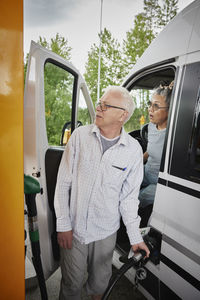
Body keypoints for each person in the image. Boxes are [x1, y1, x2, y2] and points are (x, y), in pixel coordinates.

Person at [54, 86, 150, 300]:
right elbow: (63, 184)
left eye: (106, 105)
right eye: (99, 103)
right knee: (71, 285)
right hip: (75, 228)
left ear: (123, 115)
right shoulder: (80, 136)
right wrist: (63, 224)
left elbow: (128, 199)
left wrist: (135, 237)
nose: (99, 108)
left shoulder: (133, 150)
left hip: (106, 232)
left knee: (100, 286)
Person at [139, 81, 173, 212]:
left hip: (161, 183)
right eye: (150, 104)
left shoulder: (174, 134)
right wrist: (136, 164)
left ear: (170, 111)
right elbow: (150, 150)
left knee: (137, 198)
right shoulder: (151, 126)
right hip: (146, 172)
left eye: (156, 106)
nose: (150, 109)